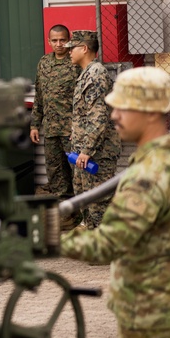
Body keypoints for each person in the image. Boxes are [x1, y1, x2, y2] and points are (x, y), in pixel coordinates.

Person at [61, 67, 170, 338]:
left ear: (151, 113)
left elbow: (107, 243)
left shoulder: (148, 174)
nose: (113, 114)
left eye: (122, 107)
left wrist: (45, 236)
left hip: (150, 316)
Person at [67, 30, 121, 229]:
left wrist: (87, 150)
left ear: (84, 48)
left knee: (99, 202)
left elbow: (98, 118)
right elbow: (85, 115)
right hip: (85, 150)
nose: (69, 52)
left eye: (72, 48)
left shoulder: (96, 74)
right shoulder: (86, 73)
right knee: (86, 199)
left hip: (97, 152)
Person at [30, 25, 79, 204]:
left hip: (71, 130)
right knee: (55, 171)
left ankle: (83, 211)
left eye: (63, 40)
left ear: (69, 41)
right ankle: (64, 209)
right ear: (49, 41)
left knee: (77, 171)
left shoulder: (75, 62)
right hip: (50, 129)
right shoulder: (44, 62)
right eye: (55, 40)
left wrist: (79, 127)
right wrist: (34, 124)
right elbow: (39, 95)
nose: (59, 44)